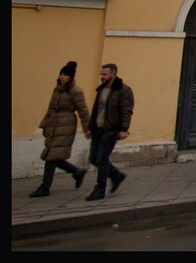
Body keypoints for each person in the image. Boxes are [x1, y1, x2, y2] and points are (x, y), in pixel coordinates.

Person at [29, 61, 90, 197]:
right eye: (61, 74)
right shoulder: (58, 89)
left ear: (71, 77)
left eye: (65, 75)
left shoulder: (76, 91)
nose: (62, 77)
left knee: (51, 156)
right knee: (54, 156)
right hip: (54, 125)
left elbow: (83, 111)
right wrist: (44, 124)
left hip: (66, 126)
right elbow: (51, 108)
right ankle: (77, 172)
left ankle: (45, 187)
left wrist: (88, 129)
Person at [86, 63, 134, 201]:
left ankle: (100, 189)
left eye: (104, 74)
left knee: (101, 159)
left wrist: (124, 129)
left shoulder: (123, 90)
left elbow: (126, 111)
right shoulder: (101, 89)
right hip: (98, 129)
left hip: (111, 130)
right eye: (101, 74)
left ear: (113, 74)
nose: (102, 77)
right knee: (93, 158)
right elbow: (96, 110)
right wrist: (90, 127)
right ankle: (116, 175)